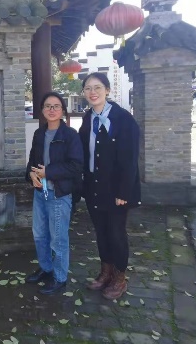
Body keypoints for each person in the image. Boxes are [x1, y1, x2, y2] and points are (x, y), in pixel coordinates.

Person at [78, 73, 141, 300]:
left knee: (116, 233)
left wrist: (124, 191)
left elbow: (130, 159)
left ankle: (119, 278)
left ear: (107, 90)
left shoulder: (123, 119)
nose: (92, 92)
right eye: (88, 88)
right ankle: (105, 272)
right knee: (101, 232)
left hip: (115, 190)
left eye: (97, 87)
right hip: (94, 187)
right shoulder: (88, 118)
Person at [25, 92, 84, 295]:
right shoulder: (39, 134)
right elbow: (33, 161)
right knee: (40, 234)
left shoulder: (70, 135)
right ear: (42, 110)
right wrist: (31, 175)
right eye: (48, 106)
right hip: (40, 192)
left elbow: (76, 166)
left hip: (59, 194)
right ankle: (46, 268)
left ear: (62, 110)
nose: (52, 110)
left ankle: (60, 278)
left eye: (56, 106)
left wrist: (48, 172)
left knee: (58, 239)